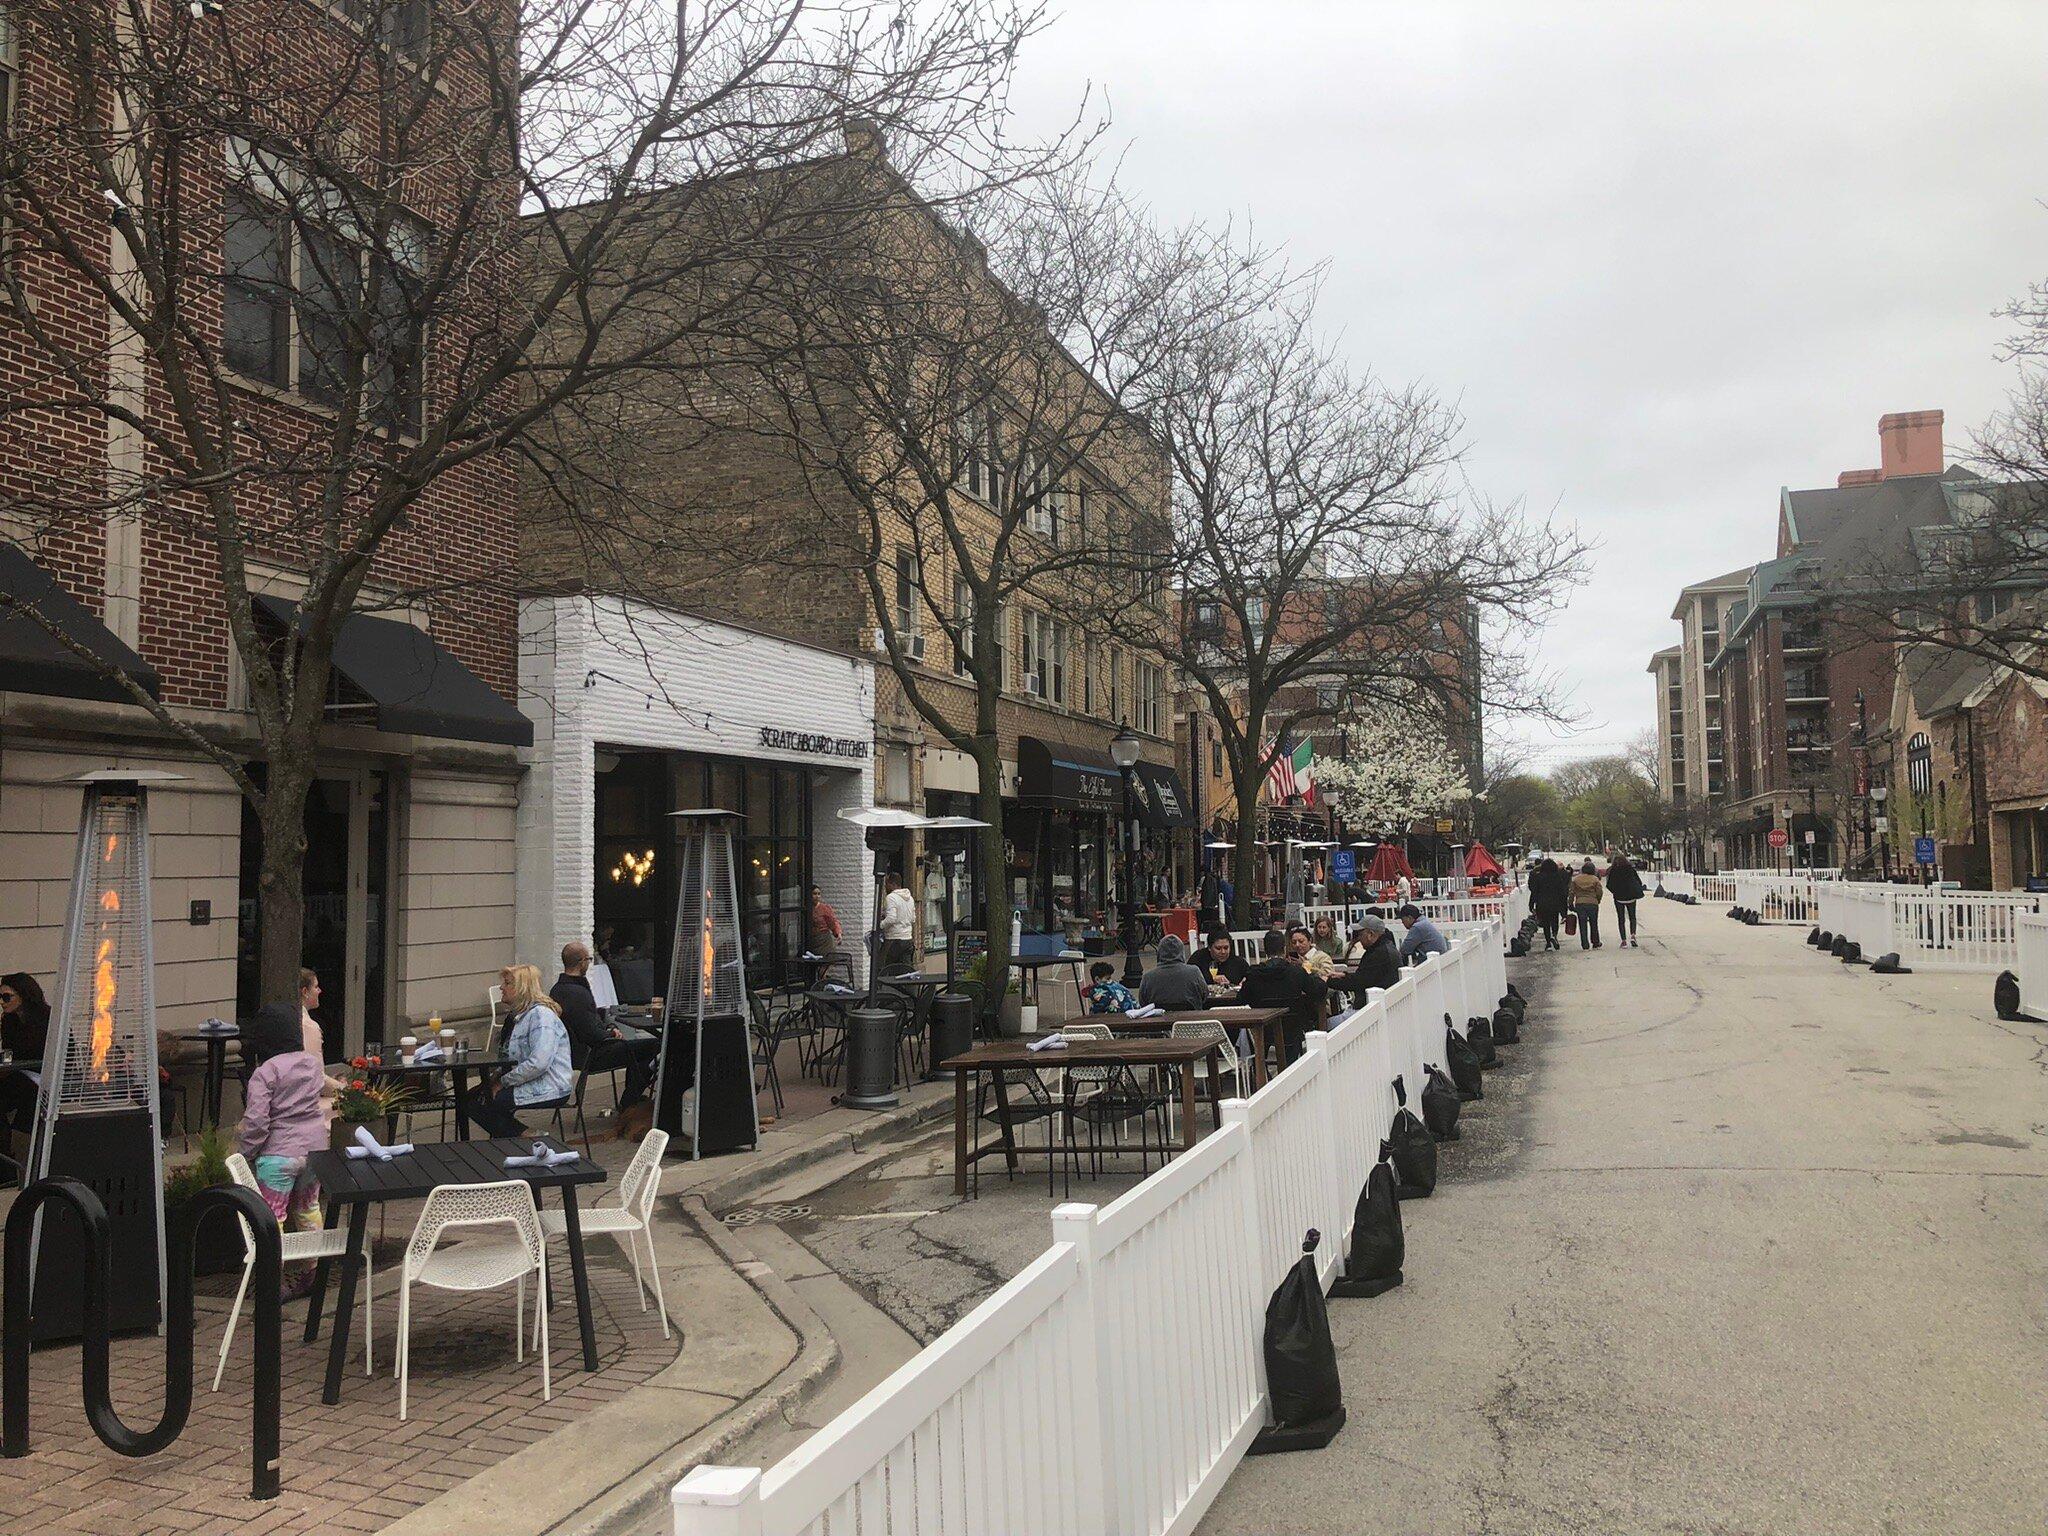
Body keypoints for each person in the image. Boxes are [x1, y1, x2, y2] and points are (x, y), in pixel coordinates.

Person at [238, 1002, 332, 1297]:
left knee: (272, 1217)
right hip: (314, 1152)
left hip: (279, 1154)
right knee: (309, 1209)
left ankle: (271, 1280)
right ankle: (311, 1273)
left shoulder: (265, 1072)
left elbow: (257, 1120)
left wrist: (248, 1151)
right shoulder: (312, 1065)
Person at [469, 963, 574, 1138]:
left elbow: (539, 1063)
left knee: (483, 1103)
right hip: (527, 1080)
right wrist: (493, 1080)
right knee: (471, 1098)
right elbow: (507, 1058)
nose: (502, 987)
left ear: (522, 988)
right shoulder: (516, 1017)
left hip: (550, 1085)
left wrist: (502, 1082)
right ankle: (519, 1138)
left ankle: (526, 1137)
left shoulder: (541, 1016)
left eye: (507, 983)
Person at [552, 941, 657, 1113]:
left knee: (638, 1048)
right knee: (652, 1046)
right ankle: (630, 1101)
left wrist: (609, 1025)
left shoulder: (558, 989)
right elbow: (590, 1033)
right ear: (582, 962)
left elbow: (590, 1019)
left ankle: (631, 1099)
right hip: (590, 1055)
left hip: (575, 1053)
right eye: (589, 959)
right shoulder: (577, 993)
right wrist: (611, 1033)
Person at [1239, 929, 1324, 1067]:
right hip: (1293, 1028)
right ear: (1284, 949)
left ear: (1265, 950)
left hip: (1263, 1029)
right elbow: (1318, 990)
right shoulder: (1295, 971)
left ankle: (1260, 1074)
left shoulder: (1254, 973)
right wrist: (1312, 974)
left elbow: (1241, 998)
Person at [0, 972, 51, 1159]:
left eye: (7, 997)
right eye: (1, 997)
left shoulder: (47, 1019)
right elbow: (9, 1052)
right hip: (19, 1074)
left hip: (41, 1076)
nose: (2, 1002)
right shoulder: (9, 1021)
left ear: (24, 995)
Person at [1139, 933, 1209, 1012]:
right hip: (1189, 1021)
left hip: (1160, 1021)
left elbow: (1143, 1003)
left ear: (1159, 953)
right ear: (1182, 953)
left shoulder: (1148, 977)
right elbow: (1204, 995)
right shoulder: (1194, 972)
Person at [1344, 915, 1402, 998]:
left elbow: (1359, 982)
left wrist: (1329, 980)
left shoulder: (1379, 954)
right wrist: (1344, 975)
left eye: (1360, 934)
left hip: (1376, 1003)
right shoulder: (1385, 946)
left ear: (1370, 934)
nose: (1359, 938)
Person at [879, 872, 917, 974]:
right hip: (908, 939)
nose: (886, 887)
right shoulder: (910, 898)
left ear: (892, 884)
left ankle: (889, 989)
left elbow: (891, 918)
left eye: (887, 883)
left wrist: (880, 925)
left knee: (886, 970)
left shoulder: (891, 897)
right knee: (906, 971)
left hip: (893, 939)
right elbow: (913, 918)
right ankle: (907, 989)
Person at [1606, 854, 1646, 948]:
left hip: (1619, 898)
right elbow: (1638, 881)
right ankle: (1633, 935)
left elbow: (1609, 884)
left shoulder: (1613, 871)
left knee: (1621, 919)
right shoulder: (1630, 869)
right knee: (1632, 917)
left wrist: (1615, 892)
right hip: (1631, 897)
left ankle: (1623, 941)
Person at [1530, 858, 1568, 950]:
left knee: (1545, 923)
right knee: (1554, 920)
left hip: (1542, 904)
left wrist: (1531, 904)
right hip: (1555, 904)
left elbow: (1534, 892)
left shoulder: (1539, 877)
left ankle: (1548, 941)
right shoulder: (1557, 877)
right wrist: (1564, 909)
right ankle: (1554, 935)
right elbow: (1562, 893)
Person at [1569, 859, 1606, 950]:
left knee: (1582, 924)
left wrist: (1570, 903)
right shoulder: (1595, 879)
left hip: (1580, 903)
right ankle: (1595, 942)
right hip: (1592, 903)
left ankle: (1585, 944)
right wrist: (1598, 900)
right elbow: (1599, 892)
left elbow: (1571, 893)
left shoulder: (1576, 879)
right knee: (1594, 923)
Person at [807, 886, 842, 958]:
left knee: (825, 963)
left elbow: (833, 921)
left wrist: (838, 934)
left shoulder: (824, 908)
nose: (817, 896)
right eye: (814, 894)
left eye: (819, 894)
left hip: (824, 940)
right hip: (812, 940)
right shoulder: (807, 908)